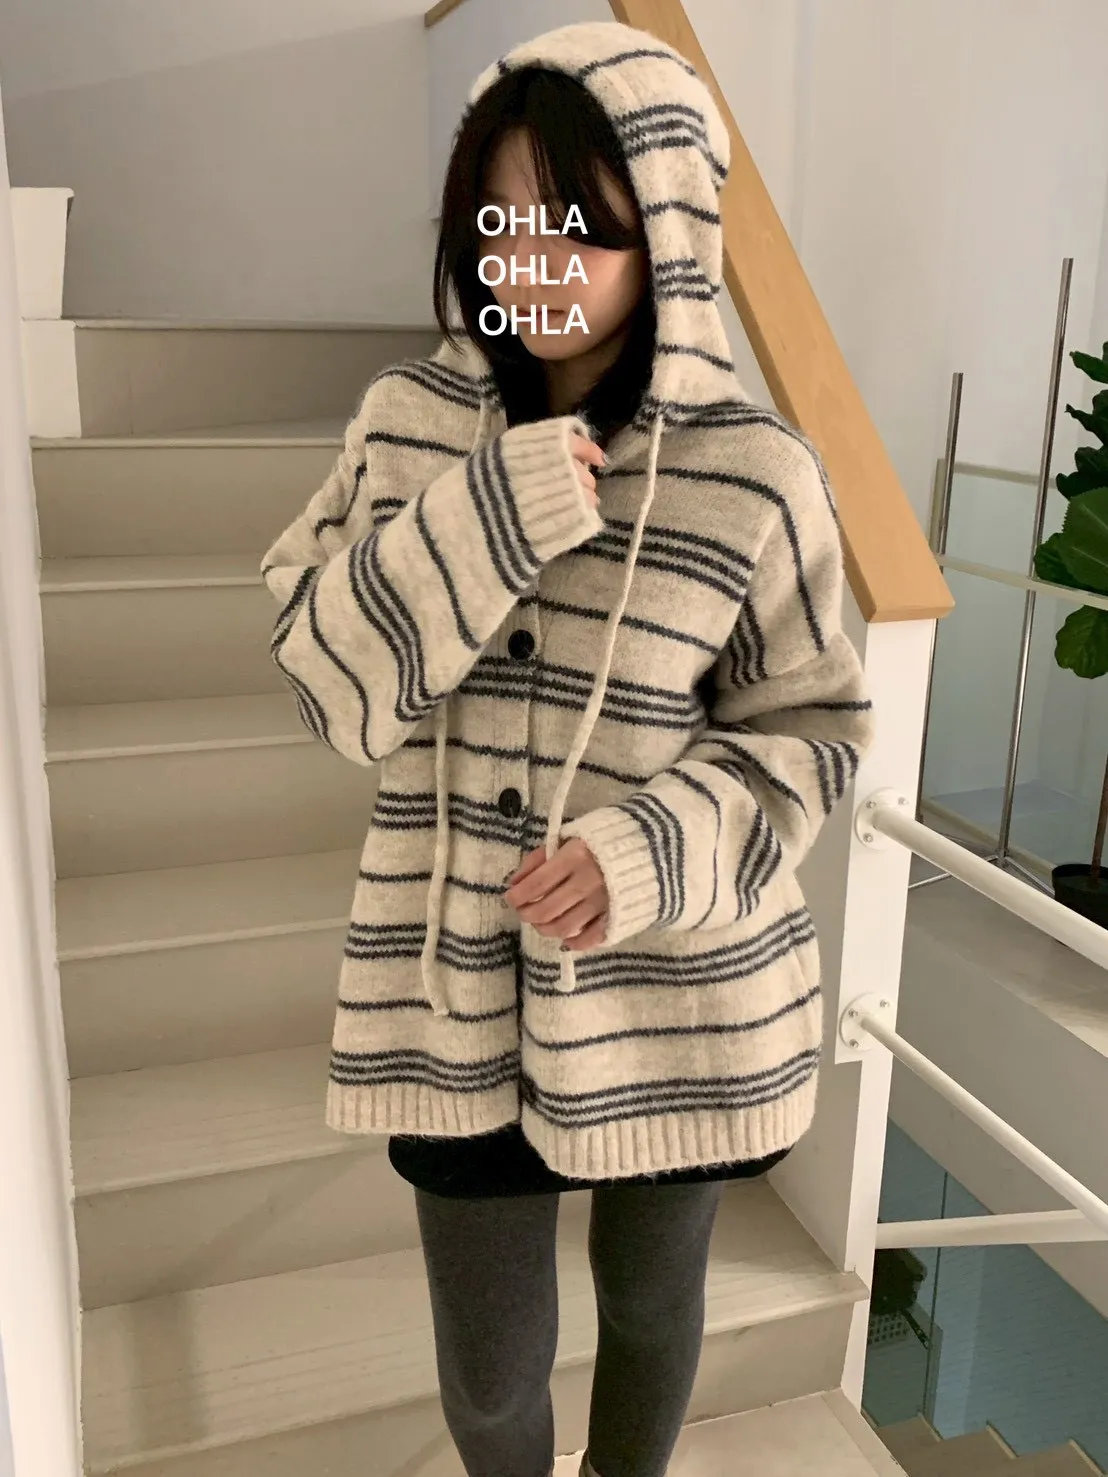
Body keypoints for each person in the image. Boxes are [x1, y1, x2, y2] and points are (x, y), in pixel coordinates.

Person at [260, 20, 875, 1477]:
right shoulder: (404, 428)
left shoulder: (757, 475)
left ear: (666, 233)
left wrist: (648, 851)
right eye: (502, 222)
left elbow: (814, 732)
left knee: (653, 1313)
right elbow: (326, 686)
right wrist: (489, 513)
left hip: (683, 993)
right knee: (488, 1378)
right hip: (450, 995)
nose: (531, 261)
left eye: (577, 227)